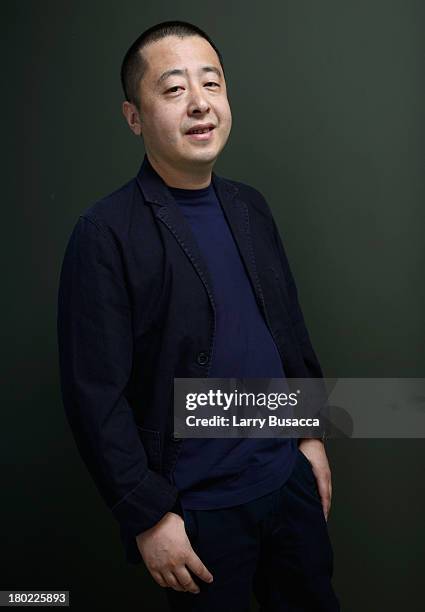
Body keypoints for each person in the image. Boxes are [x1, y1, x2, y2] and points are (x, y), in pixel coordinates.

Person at [57, 20, 340, 611]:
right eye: (174, 89)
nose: (200, 104)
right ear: (135, 116)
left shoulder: (249, 206)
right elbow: (94, 397)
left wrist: (310, 435)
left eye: (211, 83)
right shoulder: (105, 233)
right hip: (199, 513)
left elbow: (288, 331)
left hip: (286, 483)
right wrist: (148, 516)